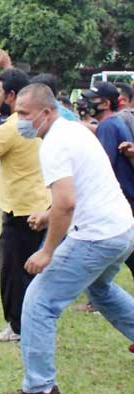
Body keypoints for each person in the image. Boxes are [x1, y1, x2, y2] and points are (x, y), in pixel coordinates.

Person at [3, 83, 134, 394]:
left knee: (39, 302)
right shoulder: (74, 131)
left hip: (96, 236)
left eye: (24, 113)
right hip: (122, 230)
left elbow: (66, 202)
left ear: (46, 112)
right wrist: (48, 215)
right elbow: (83, 189)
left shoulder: (54, 144)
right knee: (101, 290)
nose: (18, 120)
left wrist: (47, 251)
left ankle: (40, 389)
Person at [0, 68, 50, 342]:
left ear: (12, 95)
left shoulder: (13, 125)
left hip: (20, 209)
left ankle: (17, 327)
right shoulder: (39, 120)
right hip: (40, 204)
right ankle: (28, 322)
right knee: (30, 270)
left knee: (13, 272)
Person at [81, 81, 134, 280]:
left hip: (124, 197)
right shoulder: (111, 123)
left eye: (93, 99)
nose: (87, 103)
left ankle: (97, 298)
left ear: (105, 104)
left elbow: (103, 165)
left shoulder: (108, 126)